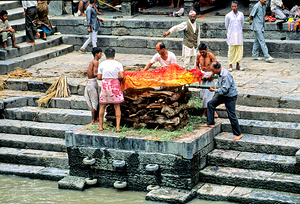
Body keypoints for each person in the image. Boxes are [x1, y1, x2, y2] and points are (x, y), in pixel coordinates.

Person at [202, 61, 243, 141]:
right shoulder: (219, 73)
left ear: (218, 68)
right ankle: (210, 122)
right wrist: (214, 86)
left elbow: (225, 89)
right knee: (210, 104)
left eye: (213, 70)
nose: (212, 72)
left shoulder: (226, 75)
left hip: (230, 96)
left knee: (231, 114)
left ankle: (238, 134)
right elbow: (220, 86)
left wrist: (214, 90)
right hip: (223, 95)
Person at [97, 48, 124, 132]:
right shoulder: (118, 64)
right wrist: (117, 79)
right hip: (115, 84)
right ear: (114, 55)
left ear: (105, 56)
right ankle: (118, 127)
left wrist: (106, 78)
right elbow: (122, 76)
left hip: (105, 85)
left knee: (102, 106)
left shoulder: (101, 64)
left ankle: (101, 126)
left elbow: (98, 77)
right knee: (117, 106)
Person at [196, 43, 218, 118]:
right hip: (202, 76)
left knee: (207, 95)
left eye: (203, 52)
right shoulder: (198, 56)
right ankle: (213, 111)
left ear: (206, 50)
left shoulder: (210, 55)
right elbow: (197, 65)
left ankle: (204, 113)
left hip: (210, 75)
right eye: (200, 52)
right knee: (203, 95)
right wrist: (200, 73)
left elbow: (216, 65)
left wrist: (212, 75)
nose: (201, 54)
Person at [85, 47, 102, 124]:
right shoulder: (95, 62)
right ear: (96, 54)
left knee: (96, 102)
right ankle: (93, 120)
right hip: (92, 83)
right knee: (94, 103)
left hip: (91, 82)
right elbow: (95, 74)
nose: (101, 55)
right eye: (100, 53)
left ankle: (96, 119)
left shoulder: (93, 62)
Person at [225, 1, 244, 72]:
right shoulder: (228, 15)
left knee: (239, 51)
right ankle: (230, 65)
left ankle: (238, 65)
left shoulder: (241, 14)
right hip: (231, 35)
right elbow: (226, 25)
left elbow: (242, 24)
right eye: (232, 6)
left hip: (239, 35)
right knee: (231, 51)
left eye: (235, 6)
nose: (234, 8)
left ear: (238, 7)